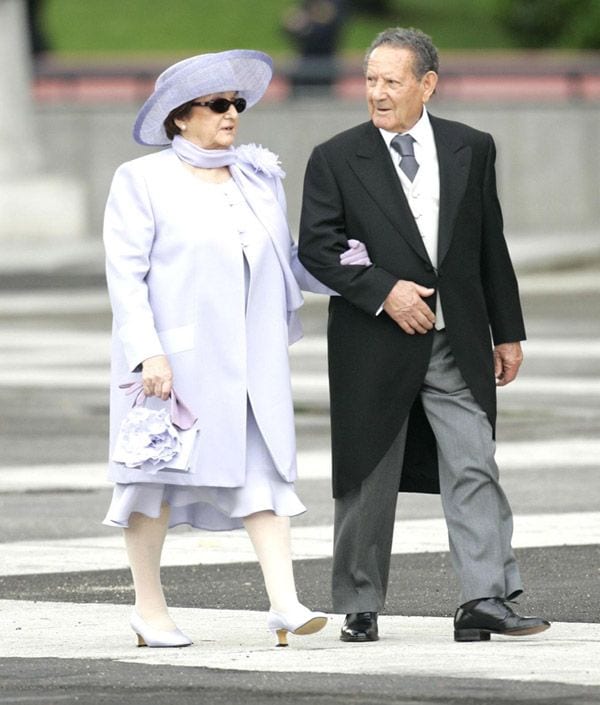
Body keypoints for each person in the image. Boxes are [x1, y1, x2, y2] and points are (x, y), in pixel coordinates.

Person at [102, 49, 368, 649]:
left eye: (237, 104)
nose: (232, 115)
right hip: (173, 365)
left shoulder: (257, 176)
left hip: (251, 363)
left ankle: (284, 604)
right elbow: (125, 276)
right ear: (178, 117)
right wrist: (149, 353)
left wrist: (350, 264)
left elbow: (289, 262)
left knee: (263, 474)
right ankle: (149, 609)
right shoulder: (140, 180)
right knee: (155, 482)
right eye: (217, 105)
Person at [298, 27, 551, 643]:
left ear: (427, 84)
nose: (378, 93)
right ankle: (359, 603)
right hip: (373, 342)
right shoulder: (334, 156)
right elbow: (318, 249)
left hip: (456, 339)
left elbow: (490, 244)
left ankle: (485, 598)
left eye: (392, 81)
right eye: (370, 80)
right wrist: (386, 290)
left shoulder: (472, 147)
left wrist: (507, 330)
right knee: (368, 476)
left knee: (475, 463)